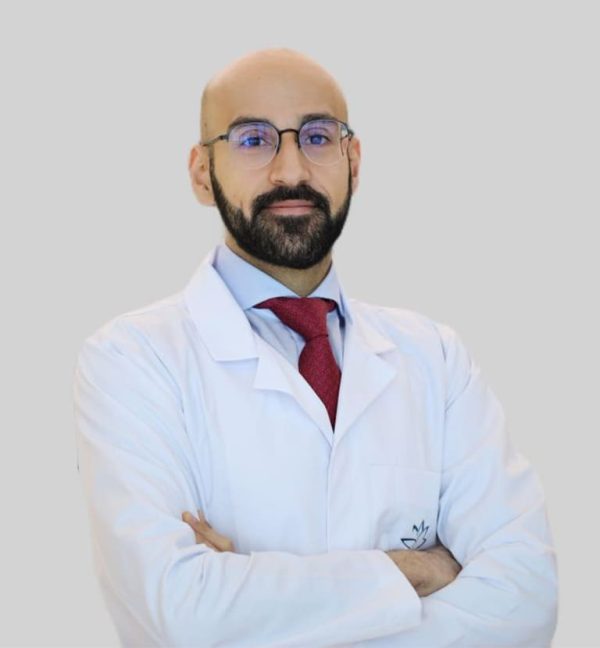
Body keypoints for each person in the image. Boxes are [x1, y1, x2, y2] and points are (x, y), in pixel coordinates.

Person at [72, 47, 558, 647]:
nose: (291, 170)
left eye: (318, 137)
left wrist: (247, 593)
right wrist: (415, 571)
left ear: (354, 161)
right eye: (253, 139)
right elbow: (182, 613)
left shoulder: (436, 358)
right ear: (201, 172)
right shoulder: (130, 361)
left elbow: (526, 602)